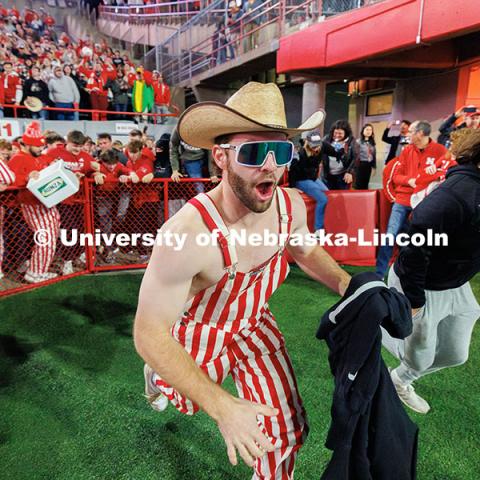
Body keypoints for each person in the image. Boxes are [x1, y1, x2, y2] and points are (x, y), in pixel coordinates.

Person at [134, 82, 351, 478]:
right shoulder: (185, 233)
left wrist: (346, 285)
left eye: (280, 151)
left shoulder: (289, 206)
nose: (269, 165)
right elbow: (149, 332)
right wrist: (224, 408)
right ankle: (156, 377)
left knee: (286, 431)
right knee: (184, 393)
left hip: (254, 323)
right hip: (201, 331)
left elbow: (304, 250)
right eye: (253, 152)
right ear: (221, 157)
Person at [382, 128, 480, 414]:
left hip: (454, 283)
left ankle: (398, 378)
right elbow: (416, 240)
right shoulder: (456, 194)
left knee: (456, 354)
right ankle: (384, 320)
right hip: (422, 283)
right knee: (420, 358)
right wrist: (413, 299)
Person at [375, 121, 447, 279]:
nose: (408, 134)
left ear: (420, 133)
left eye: (411, 131)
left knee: (418, 241)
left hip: (424, 203)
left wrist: (436, 176)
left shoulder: (440, 151)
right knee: (390, 236)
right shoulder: (407, 150)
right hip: (402, 201)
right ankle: (379, 274)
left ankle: (409, 273)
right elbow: (396, 176)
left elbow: (446, 174)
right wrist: (411, 181)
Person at [8, 121, 60, 283]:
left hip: (45, 201)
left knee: (49, 237)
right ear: (27, 144)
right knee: (46, 238)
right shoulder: (18, 159)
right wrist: (27, 177)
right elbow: (12, 181)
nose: (40, 148)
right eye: (37, 146)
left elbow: (50, 157)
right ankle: (35, 272)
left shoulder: (38, 156)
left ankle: (39, 269)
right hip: (32, 203)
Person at [288, 131, 336, 231]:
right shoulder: (300, 154)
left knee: (329, 193)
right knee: (323, 199)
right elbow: (292, 171)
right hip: (300, 180)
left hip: (312, 178)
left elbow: (334, 151)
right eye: (313, 146)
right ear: (307, 142)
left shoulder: (322, 147)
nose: (316, 148)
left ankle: (328, 222)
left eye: (318, 145)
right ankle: (318, 229)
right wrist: (292, 187)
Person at [321, 120, 357, 190]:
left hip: (343, 175)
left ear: (346, 133)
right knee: (328, 196)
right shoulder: (326, 139)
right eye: (335, 133)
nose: (337, 135)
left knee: (342, 197)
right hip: (327, 175)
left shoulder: (351, 141)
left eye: (340, 133)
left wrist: (349, 172)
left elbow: (355, 158)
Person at [353, 123, 376, 190]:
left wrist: (374, 167)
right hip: (360, 164)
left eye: (370, 130)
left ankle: (364, 198)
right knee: (359, 184)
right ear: (363, 131)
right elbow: (355, 155)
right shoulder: (358, 142)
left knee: (366, 183)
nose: (369, 131)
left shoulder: (372, 142)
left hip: (368, 165)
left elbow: (374, 155)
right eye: (367, 129)